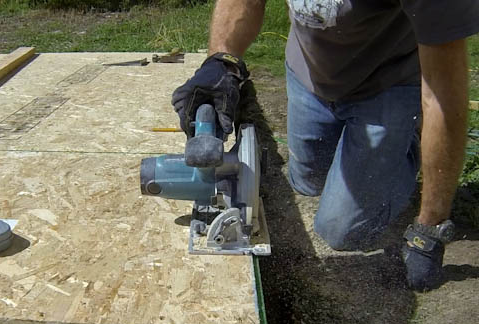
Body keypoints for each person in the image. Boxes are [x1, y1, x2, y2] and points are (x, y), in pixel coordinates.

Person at [171, 0, 479, 291]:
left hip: (389, 84)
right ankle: (369, 154)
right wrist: (222, 61)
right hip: (309, 74)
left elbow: (443, 98)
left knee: (342, 231)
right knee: (307, 182)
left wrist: (431, 226)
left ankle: (405, 144)